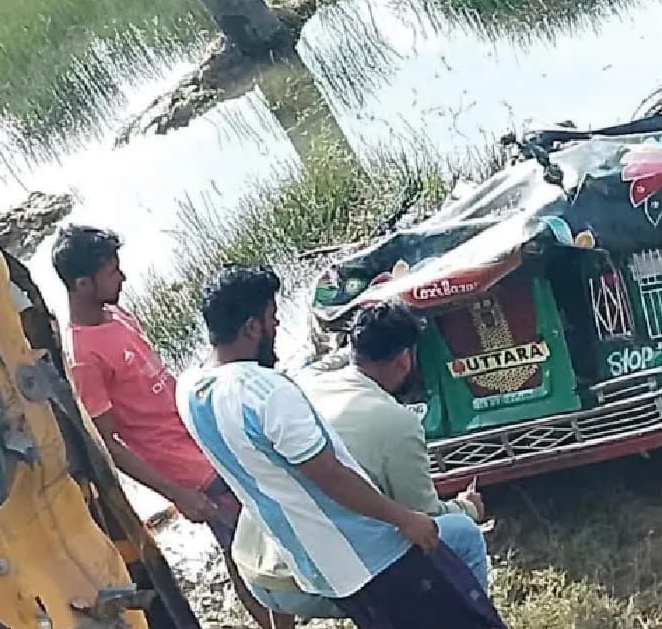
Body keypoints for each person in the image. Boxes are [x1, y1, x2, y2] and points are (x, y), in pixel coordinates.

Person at [175, 264, 507, 629]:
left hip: (306, 563)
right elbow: (329, 475)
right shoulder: (266, 392)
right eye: (272, 318)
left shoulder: (190, 390)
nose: (277, 327)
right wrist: (405, 519)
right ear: (251, 327)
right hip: (368, 558)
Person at [51, 226, 288, 629]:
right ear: (82, 284)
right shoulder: (83, 356)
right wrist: (177, 493)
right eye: (112, 273)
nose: (122, 278)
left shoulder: (117, 315)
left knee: (254, 538)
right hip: (187, 468)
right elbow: (109, 444)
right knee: (248, 546)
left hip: (202, 435)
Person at [231, 300, 490, 618]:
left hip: (256, 570)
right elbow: (424, 520)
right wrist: (466, 507)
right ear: (405, 359)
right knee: (462, 534)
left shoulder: (306, 382)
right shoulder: (399, 423)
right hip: (312, 584)